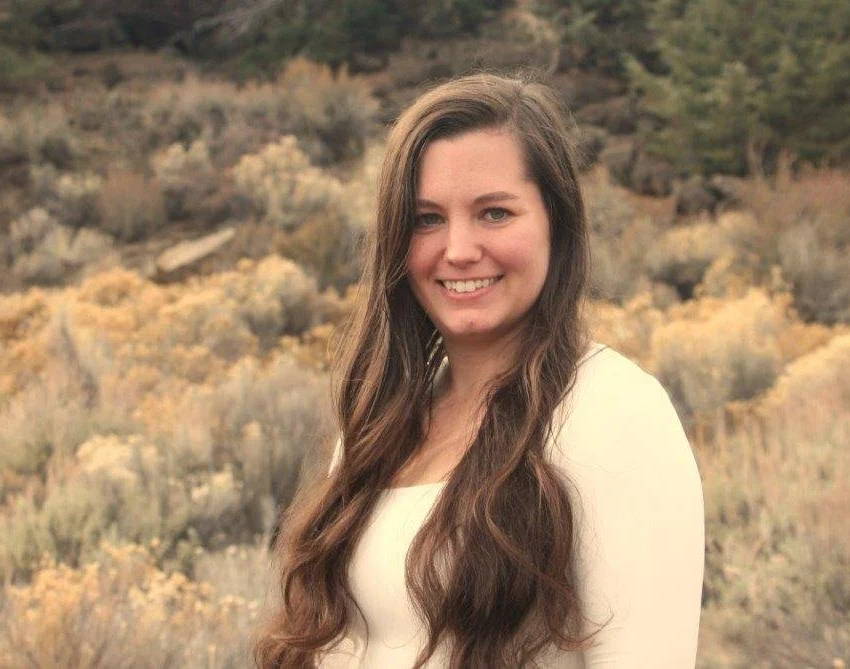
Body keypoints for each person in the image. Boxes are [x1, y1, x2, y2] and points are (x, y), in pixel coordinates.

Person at [255, 71, 704, 668]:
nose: (459, 249)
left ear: (557, 222)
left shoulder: (615, 413)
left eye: (494, 213)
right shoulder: (381, 422)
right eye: (427, 219)